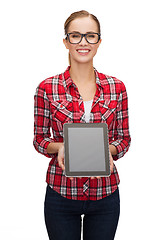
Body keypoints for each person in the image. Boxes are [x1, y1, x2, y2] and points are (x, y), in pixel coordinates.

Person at [33, 10, 131, 240]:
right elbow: (39, 140)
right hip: (61, 193)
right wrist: (62, 148)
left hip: (105, 195)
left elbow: (124, 140)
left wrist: (105, 151)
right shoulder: (47, 88)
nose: (83, 42)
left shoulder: (117, 87)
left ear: (99, 42)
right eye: (75, 35)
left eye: (90, 36)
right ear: (66, 41)